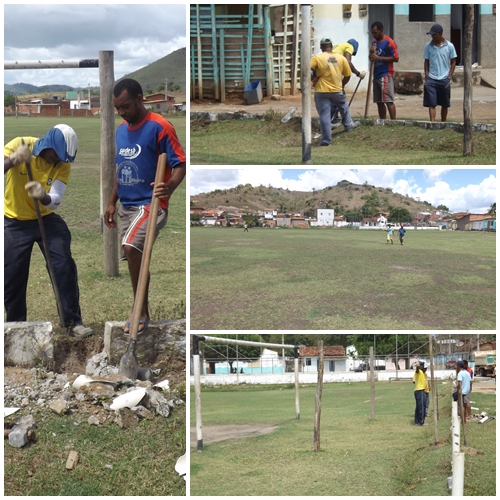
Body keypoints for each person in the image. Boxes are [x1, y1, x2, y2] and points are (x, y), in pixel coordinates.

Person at [105, 78, 186, 335]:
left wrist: (169, 186)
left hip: (151, 204)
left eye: (126, 106)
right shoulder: (120, 130)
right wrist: (111, 201)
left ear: (140, 99)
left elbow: (180, 164)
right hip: (126, 206)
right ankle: (143, 310)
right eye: (118, 108)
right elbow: (122, 170)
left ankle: (139, 310)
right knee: (134, 255)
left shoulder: (160, 127)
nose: (122, 112)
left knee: (131, 247)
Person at [4, 125, 94, 338]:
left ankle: (72, 323)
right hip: (13, 221)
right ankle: (17, 328)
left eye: (61, 158)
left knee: (63, 266)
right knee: (12, 275)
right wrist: (14, 160)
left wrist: (42, 196)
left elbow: (56, 200)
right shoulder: (21, 144)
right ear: (48, 144)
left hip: (45, 218)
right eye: (55, 154)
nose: (57, 160)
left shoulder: (62, 164)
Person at [311, 36, 360, 146]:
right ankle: (348, 125)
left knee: (324, 115)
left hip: (321, 91)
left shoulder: (317, 58)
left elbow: (306, 68)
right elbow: (347, 75)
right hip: (337, 90)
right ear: (331, 46)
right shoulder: (341, 58)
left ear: (321, 47)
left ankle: (326, 141)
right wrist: (342, 85)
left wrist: (312, 78)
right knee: (343, 105)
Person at [423, 23, 457, 123]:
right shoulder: (428, 46)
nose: (433, 37)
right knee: (432, 103)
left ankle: (443, 122)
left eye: (435, 35)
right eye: (432, 35)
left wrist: (450, 75)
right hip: (432, 78)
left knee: (445, 103)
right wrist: (426, 75)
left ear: (440, 33)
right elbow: (426, 61)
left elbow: (453, 61)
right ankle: (433, 123)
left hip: (444, 79)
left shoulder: (449, 46)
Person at [330, 39, 366, 126]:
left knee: (332, 95)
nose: (351, 54)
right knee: (338, 96)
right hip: (332, 72)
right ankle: (335, 121)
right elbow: (348, 62)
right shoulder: (349, 46)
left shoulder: (338, 46)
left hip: (327, 70)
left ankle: (332, 119)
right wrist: (358, 73)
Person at [369, 22, 399, 120]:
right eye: (373, 33)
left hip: (386, 74)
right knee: (379, 101)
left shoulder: (389, 42)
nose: (374, 35)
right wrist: (371, 56)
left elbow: (396, 58)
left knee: (388, 100)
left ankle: (393, 121)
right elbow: (373, 57)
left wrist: (379, 58)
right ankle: (382, 121)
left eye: (376, 33)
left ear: (381, 30)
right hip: (376, 74)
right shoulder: (374, 42)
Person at [412, 361, 427, 426]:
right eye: (422, 366)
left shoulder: (422, 373)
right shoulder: (418, 372)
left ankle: (417, 421)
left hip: (420, 390)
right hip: (419, 390)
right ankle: (421, 422)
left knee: (419, 406)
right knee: (421, 406)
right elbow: (417, 369)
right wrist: (417, 366)